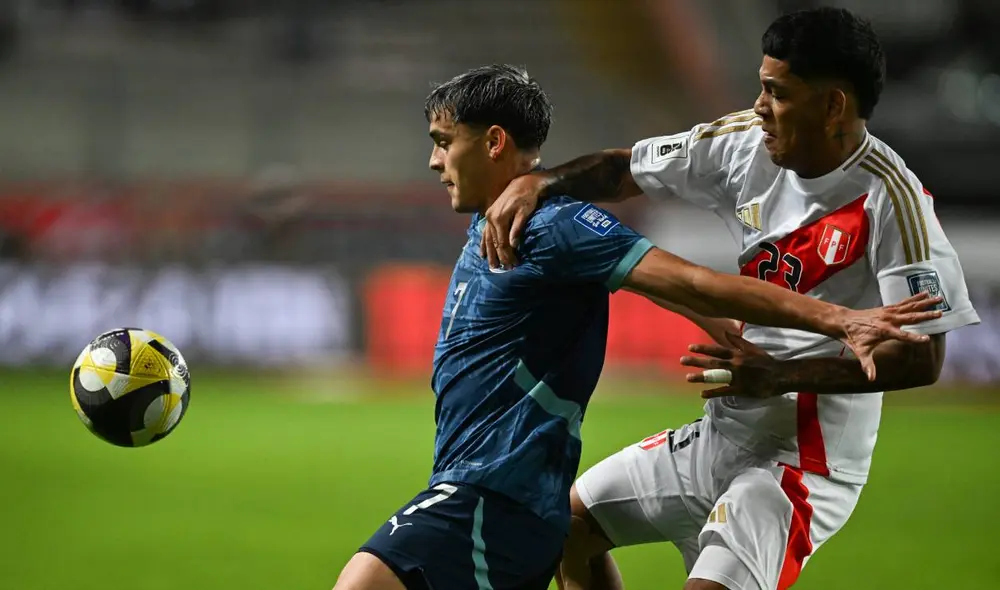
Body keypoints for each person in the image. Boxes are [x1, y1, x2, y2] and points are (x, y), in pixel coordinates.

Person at [332, 63, 943, 590]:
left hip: (496, 490)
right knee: (575, 529)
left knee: (363, 580)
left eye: (444, 141)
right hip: (490, 480)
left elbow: (689, 279)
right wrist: (716, 322)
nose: (433, 159)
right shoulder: (503, 220)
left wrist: (841, 320)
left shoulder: (555, 227)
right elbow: (649, 245)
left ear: (493, 142)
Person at [478, 8, 981, 590]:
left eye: (776, 92)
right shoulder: (745, 142)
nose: (760, 107)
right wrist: (542, 182)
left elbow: (923, 358)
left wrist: (782, 373)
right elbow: (625, 170)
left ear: (833, 105)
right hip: (722, 432)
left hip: (802, 465)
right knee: (561, 526)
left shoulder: (893, 201)